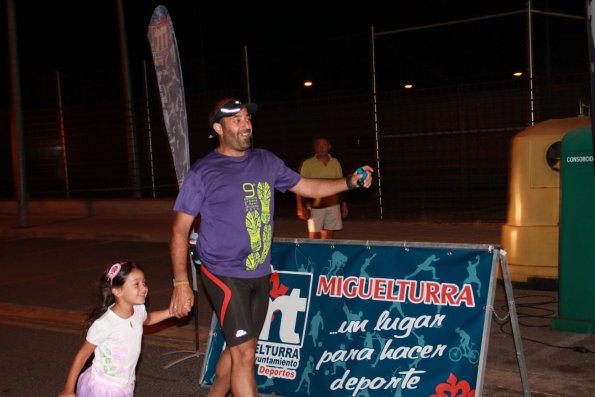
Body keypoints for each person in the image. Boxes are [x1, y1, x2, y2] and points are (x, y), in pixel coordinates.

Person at [168, 98, 373, 397]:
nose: (246, 124)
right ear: (218, 128)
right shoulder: (204, 172)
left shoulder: (266, 161)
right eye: (236, 120)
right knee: (245, 355)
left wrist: (349, 182)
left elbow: (309, 187)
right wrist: (181, 282)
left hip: (259, 271)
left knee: (242, 347)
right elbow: (179, 230)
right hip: (222, 272)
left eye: (246, 118)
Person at [58, 261, 173, 397]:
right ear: (117, 291)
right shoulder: (105, 324)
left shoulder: (138, 309)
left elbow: (148, 320)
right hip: (104, 387)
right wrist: (68, 389)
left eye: (144, 283)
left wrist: (171, 312)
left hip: (125, 383)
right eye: (136, 284)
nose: (144, 288)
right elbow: (82, 356)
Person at [296, 137, 348, 239]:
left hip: (333, 204)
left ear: (329, 147)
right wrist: (300, 207)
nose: (321, 148)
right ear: (314, 148)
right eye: (318, 145)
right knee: (314, 235)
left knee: (329, 235)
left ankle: (326, 255)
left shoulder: (335, 162)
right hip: (314, 205)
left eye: (324, 145)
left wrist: (344, 203)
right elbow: (298, 185)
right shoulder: (307, 163)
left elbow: (341, 183)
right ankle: (311, 255)